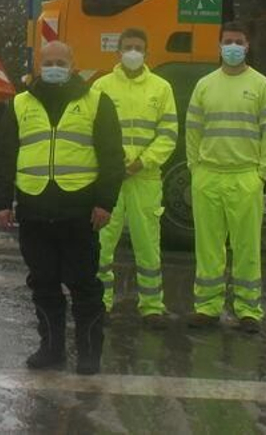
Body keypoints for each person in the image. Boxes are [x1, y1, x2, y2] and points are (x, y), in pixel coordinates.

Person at [0, 40, 124, 375]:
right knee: (43, 284)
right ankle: (51, 348)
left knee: (84, 285)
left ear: (73, 64)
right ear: (38, 65)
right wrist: (2, 203)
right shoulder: (19, 104)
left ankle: (90, 353)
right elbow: (4, 157)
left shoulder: (97, 102)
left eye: (60, 62)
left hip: (79, 212)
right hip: (35, 211)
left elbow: (111, 157)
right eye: (47, 62)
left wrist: (105, 202)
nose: (54, 67)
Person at [186, 21, 266, 333]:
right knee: (208, 247)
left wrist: (262, 173)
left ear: (247, 46)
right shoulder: (204, 85)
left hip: (245, 177)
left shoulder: (262, 86)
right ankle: (207, 308)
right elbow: (192, 131)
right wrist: (195, 168)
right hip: (208, 176)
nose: (232, 47)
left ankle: (248, 310)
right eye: (227, 41)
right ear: (219, 45)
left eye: (238, 41)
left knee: (247, 247)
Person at [91, 28, 177, 327]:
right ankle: (99, 304)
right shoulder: (101, 86)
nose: (132, 52)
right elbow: (93, 132)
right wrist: (113, 165)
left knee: (148, 245)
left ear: (147, 52)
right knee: (102, 244)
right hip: (110, 180)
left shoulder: (161, 88)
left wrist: (143, 162)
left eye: (138, 47)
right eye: (127, 46)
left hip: (145, 178)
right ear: (118, 51)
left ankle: (152, 307)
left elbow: (168, 134)